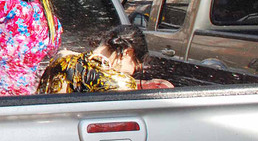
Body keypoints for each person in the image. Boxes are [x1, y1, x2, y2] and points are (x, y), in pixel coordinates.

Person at [37, 25, 173, 93]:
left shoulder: (62, 59)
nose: (131, 74)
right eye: (135, 66)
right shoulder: (122, 84)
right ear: (128, 53)